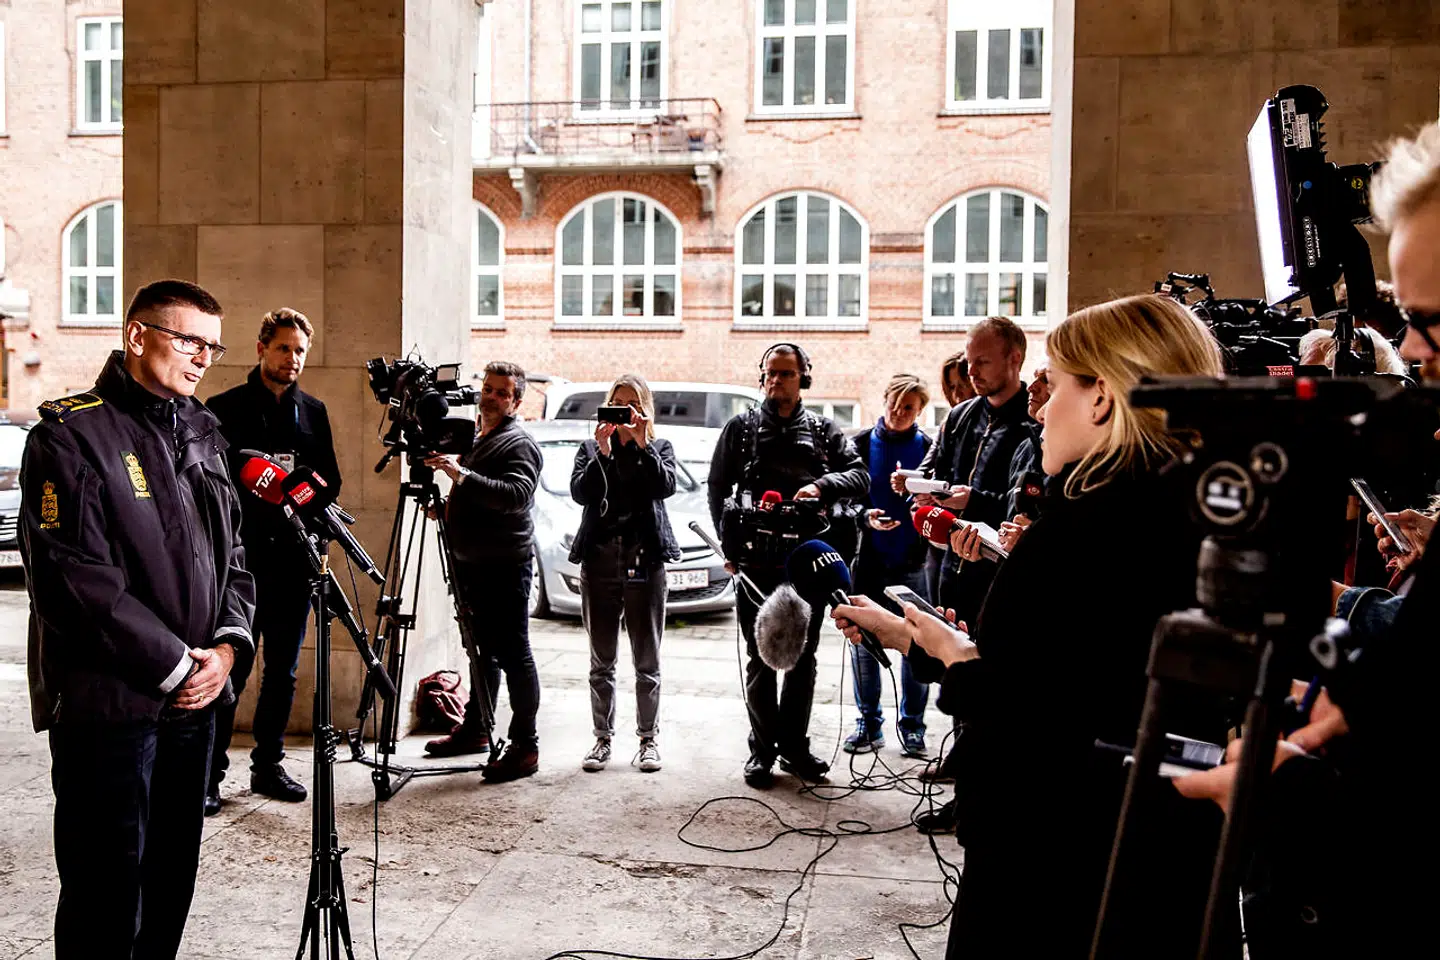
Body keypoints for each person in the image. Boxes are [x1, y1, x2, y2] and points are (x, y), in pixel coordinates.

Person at [836, 294, 1230, 958]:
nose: (1040, 411)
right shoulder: (1190, 512)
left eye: (1057, 387)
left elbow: (1033, 722)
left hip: (1053, 870)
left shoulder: (1087, 531)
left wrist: (955, 658)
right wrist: (918, 639)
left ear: (1102, 396)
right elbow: (1066, 676)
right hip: (1144, 869)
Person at [20, 279, 256, 960]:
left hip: (196, 705)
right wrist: (178, 665)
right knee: (105, 891)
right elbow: (74, 583)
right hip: (110, 708)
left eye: (212, 346)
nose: (203, 357)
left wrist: (227, 652)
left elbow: (234, 555)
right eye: (188, 340)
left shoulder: (206, 430)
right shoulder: (71, 436)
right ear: (137, 336)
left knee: (169, 881)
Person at [708, 343, 870, 787]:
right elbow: (717, 487)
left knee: (803, 658)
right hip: (755, 565)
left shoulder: (824, 430)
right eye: (771, 373)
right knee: (760, 659)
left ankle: (795, 750)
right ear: (761, 377)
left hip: (808, 564)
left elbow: (860, 477)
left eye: (786, 374)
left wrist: (821, 485)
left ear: (804, 379)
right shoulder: (740, 429)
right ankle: (761, 751)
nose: (777, 381)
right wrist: (728, 548)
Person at [205, 307, 340, 814]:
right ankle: (210, 774)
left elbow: (331, 482)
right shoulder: (224, 407)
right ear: (262, 347)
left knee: (282, 672)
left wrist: (298, 490)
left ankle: (267, 766)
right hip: (239, 567)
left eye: (300, 350)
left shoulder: (316, 411)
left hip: (295, 563)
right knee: (232, 670)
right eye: (284, 348)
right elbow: (208, 487)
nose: (293, 358)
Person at [422, 361, 544, 783]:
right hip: (473, 564)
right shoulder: (480, 438)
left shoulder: (519, 443)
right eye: (487, 389)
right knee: (480, 651)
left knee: (514, 655)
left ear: (516, 401)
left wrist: (459, 473)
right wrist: (449, 507)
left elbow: (515, 496)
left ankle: (525, 746)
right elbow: (477, 493)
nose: (491, 398)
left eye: (501, 393)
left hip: (505, 567)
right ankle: (477, 728)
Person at [569, 374, 680, 773]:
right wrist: (603, 452)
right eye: (618, 403)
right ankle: (602, 739)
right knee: (602, 659)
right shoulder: (590, 448)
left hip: (644, 560)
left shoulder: (658, 447)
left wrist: (640, 442)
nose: (625, 411)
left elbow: (664, 486)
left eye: (633, 405)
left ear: (645, 410)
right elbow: (581, 493)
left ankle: (648, 741)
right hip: (599, 561)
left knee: (646, 660)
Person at [845, 373, 934, 758]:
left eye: (909, 407)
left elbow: (941, 499)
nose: (899, 412)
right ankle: (869, 723)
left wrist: (920, 504)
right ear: (883, 401)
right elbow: (841, 501)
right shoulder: (859, 444)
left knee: (917, 643)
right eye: (894, 404)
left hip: (913, 560)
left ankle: (912, 725)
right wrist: (865, 516)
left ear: (920, 411)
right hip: (868, 561)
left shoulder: (930, 448)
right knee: (863, 644)